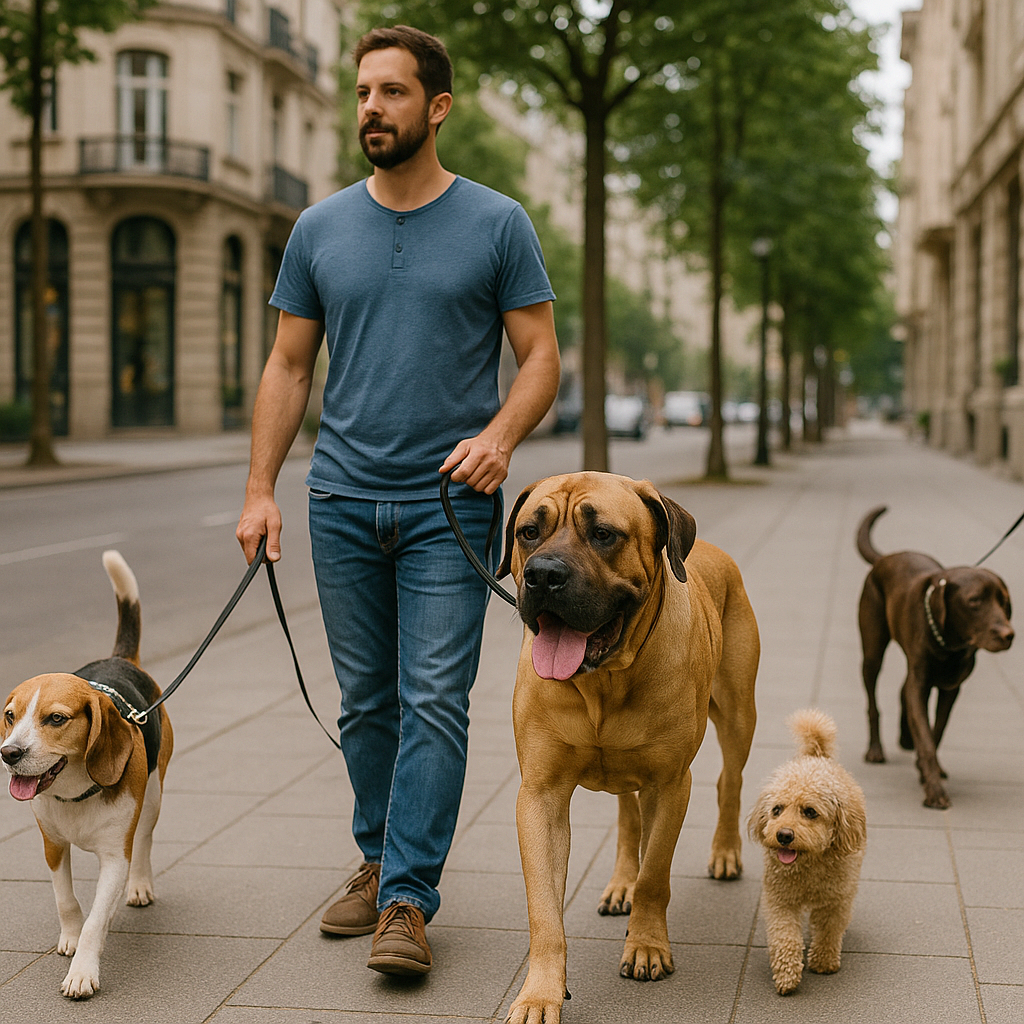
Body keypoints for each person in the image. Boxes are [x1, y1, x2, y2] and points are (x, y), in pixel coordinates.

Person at [235, 25, 559, 977]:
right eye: (364, 92)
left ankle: (410, 898)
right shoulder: (320, 227)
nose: (371, 108)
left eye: (392, 93)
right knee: (369, 703)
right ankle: (378, 859)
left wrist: (499, 440)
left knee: (435, 701)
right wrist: (261, 490)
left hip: (449, 511)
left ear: (437, 107)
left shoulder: (499, 223)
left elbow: (539, 357)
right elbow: (290, 364)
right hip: (339, 499)